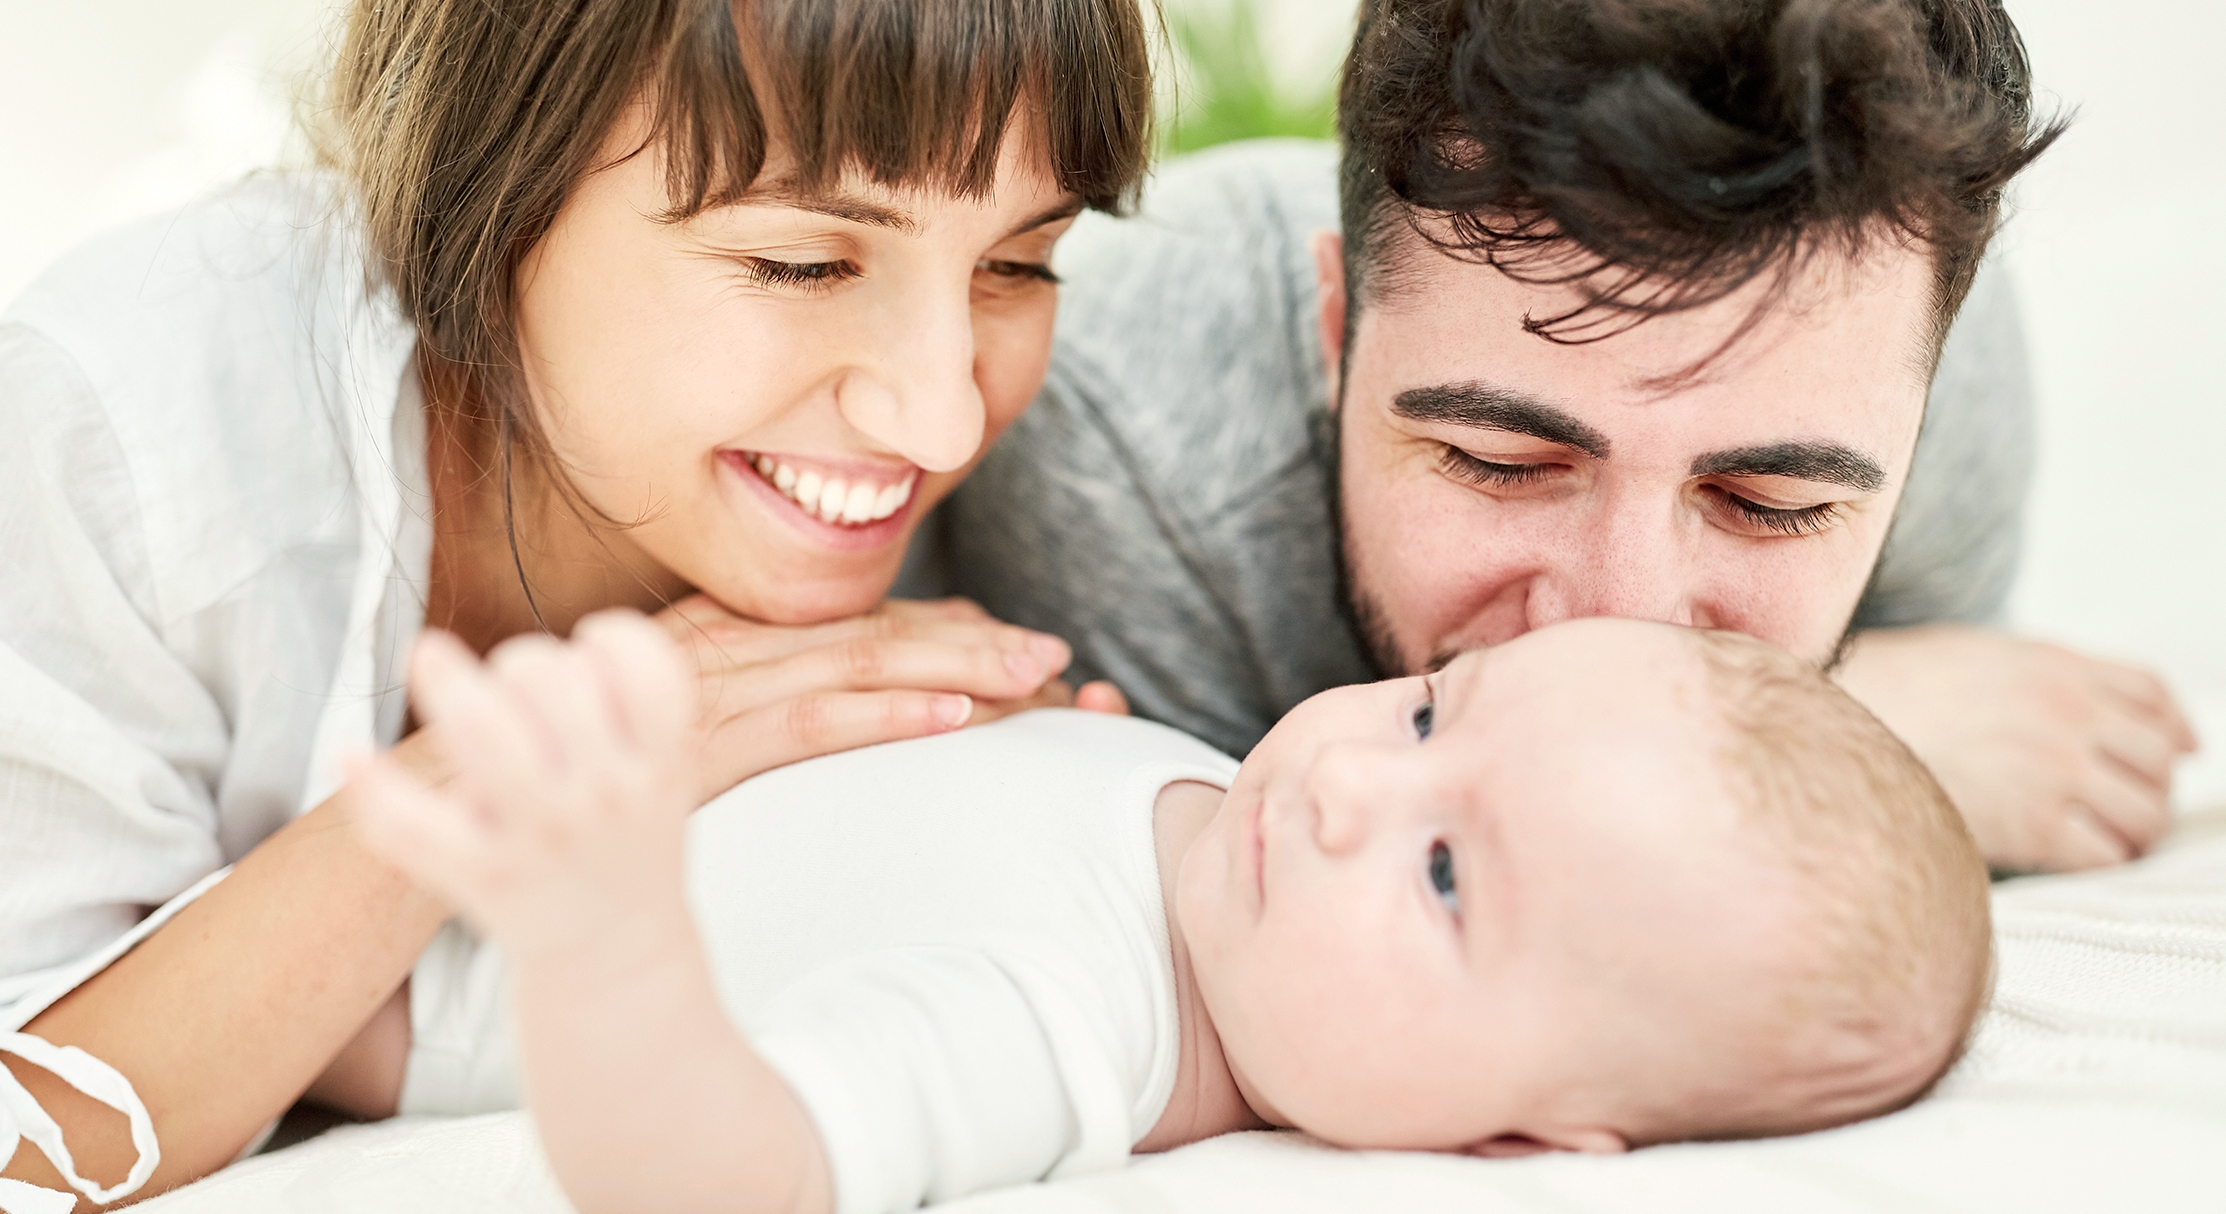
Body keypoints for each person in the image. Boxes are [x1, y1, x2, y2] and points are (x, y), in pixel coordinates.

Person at [0, 0, 1155, 1205]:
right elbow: (20, 1137)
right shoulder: (114, 431)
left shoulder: (1039, 487)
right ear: (491, 181)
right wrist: (553, 759)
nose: (945, 416)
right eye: (804, 264)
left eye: (1020, 264)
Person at [910, 0, 2199, 875]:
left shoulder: (1924, 380)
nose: (1613, 627)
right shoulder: (1129, 450)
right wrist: (1871, 746)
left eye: (1767, 500)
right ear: (1336, 325)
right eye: (1503, 461)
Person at [349, 610, 1991, 1214]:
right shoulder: (1226, 806)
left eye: (1442, 874)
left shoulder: (1077, 1026)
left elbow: (728, 1174)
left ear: (1508, 1140)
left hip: (400, 971)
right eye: (1432, 710)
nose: (1353, 778)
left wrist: (603, 930)